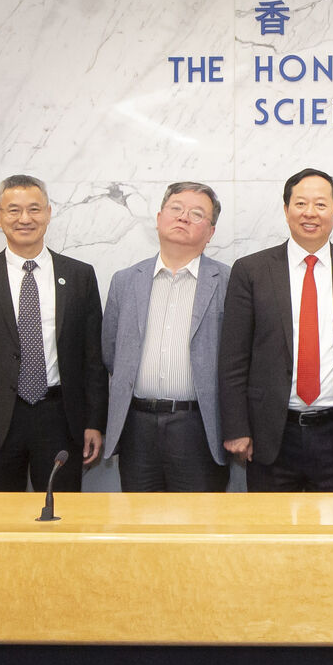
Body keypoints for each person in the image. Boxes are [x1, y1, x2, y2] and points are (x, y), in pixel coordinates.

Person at [218, 169, 333, 491]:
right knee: (271, 536)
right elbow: (233, 357)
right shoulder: (251, 271)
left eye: (321, 205)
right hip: (270, 435)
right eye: (301, 203)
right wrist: (237, 427)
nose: (310, 213)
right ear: (286, 210)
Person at [0, 176, 106, 492]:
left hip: (61, 417)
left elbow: (93, 359)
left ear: (48, 213)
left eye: (34, 209)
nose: (24, 219)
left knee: (63, 514)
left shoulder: (79, 275)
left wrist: (94, 422)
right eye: (13, 210)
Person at [102, 182, 233, 492]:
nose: (183, 217)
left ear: (210, 231)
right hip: (137, 427)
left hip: (199, 428)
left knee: (199, 531)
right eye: (176, 209)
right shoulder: (125, 281)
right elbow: (110, 352)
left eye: (197, 213)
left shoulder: (228, 281)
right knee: (141, 528)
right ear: (160, 217)